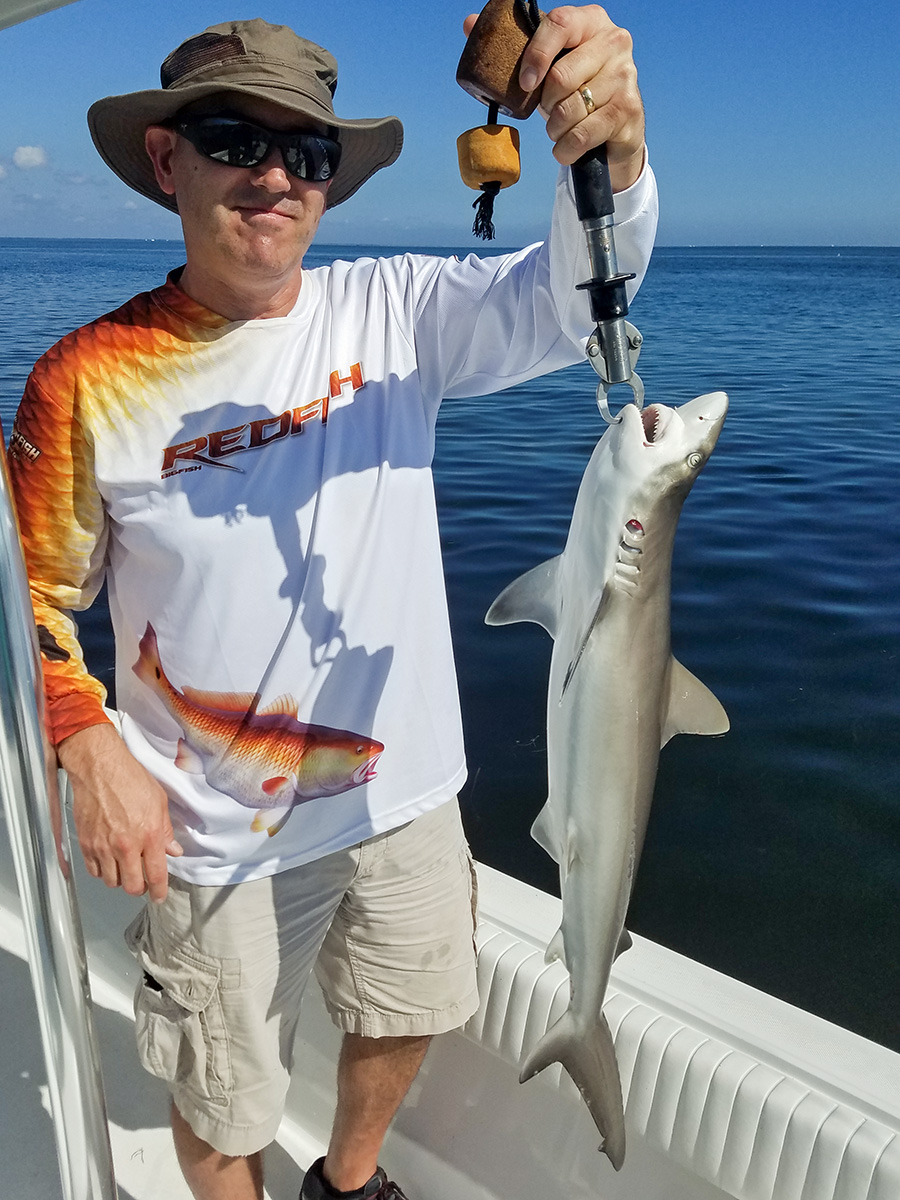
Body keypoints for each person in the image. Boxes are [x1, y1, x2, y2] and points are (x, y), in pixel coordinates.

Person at [8, 8, 656, 1200]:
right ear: (166, 159)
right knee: (223, 1094)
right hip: (211, 831)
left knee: (406, 1009)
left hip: (402, 794)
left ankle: (349, 1183)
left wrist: (611, 148)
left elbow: (575, 301)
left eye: (304, 154)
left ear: (329, 183)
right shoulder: (82, 380)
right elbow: (27, 597)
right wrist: (84, 737)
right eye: (231, 137)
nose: (273, 174)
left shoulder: (395, 316)